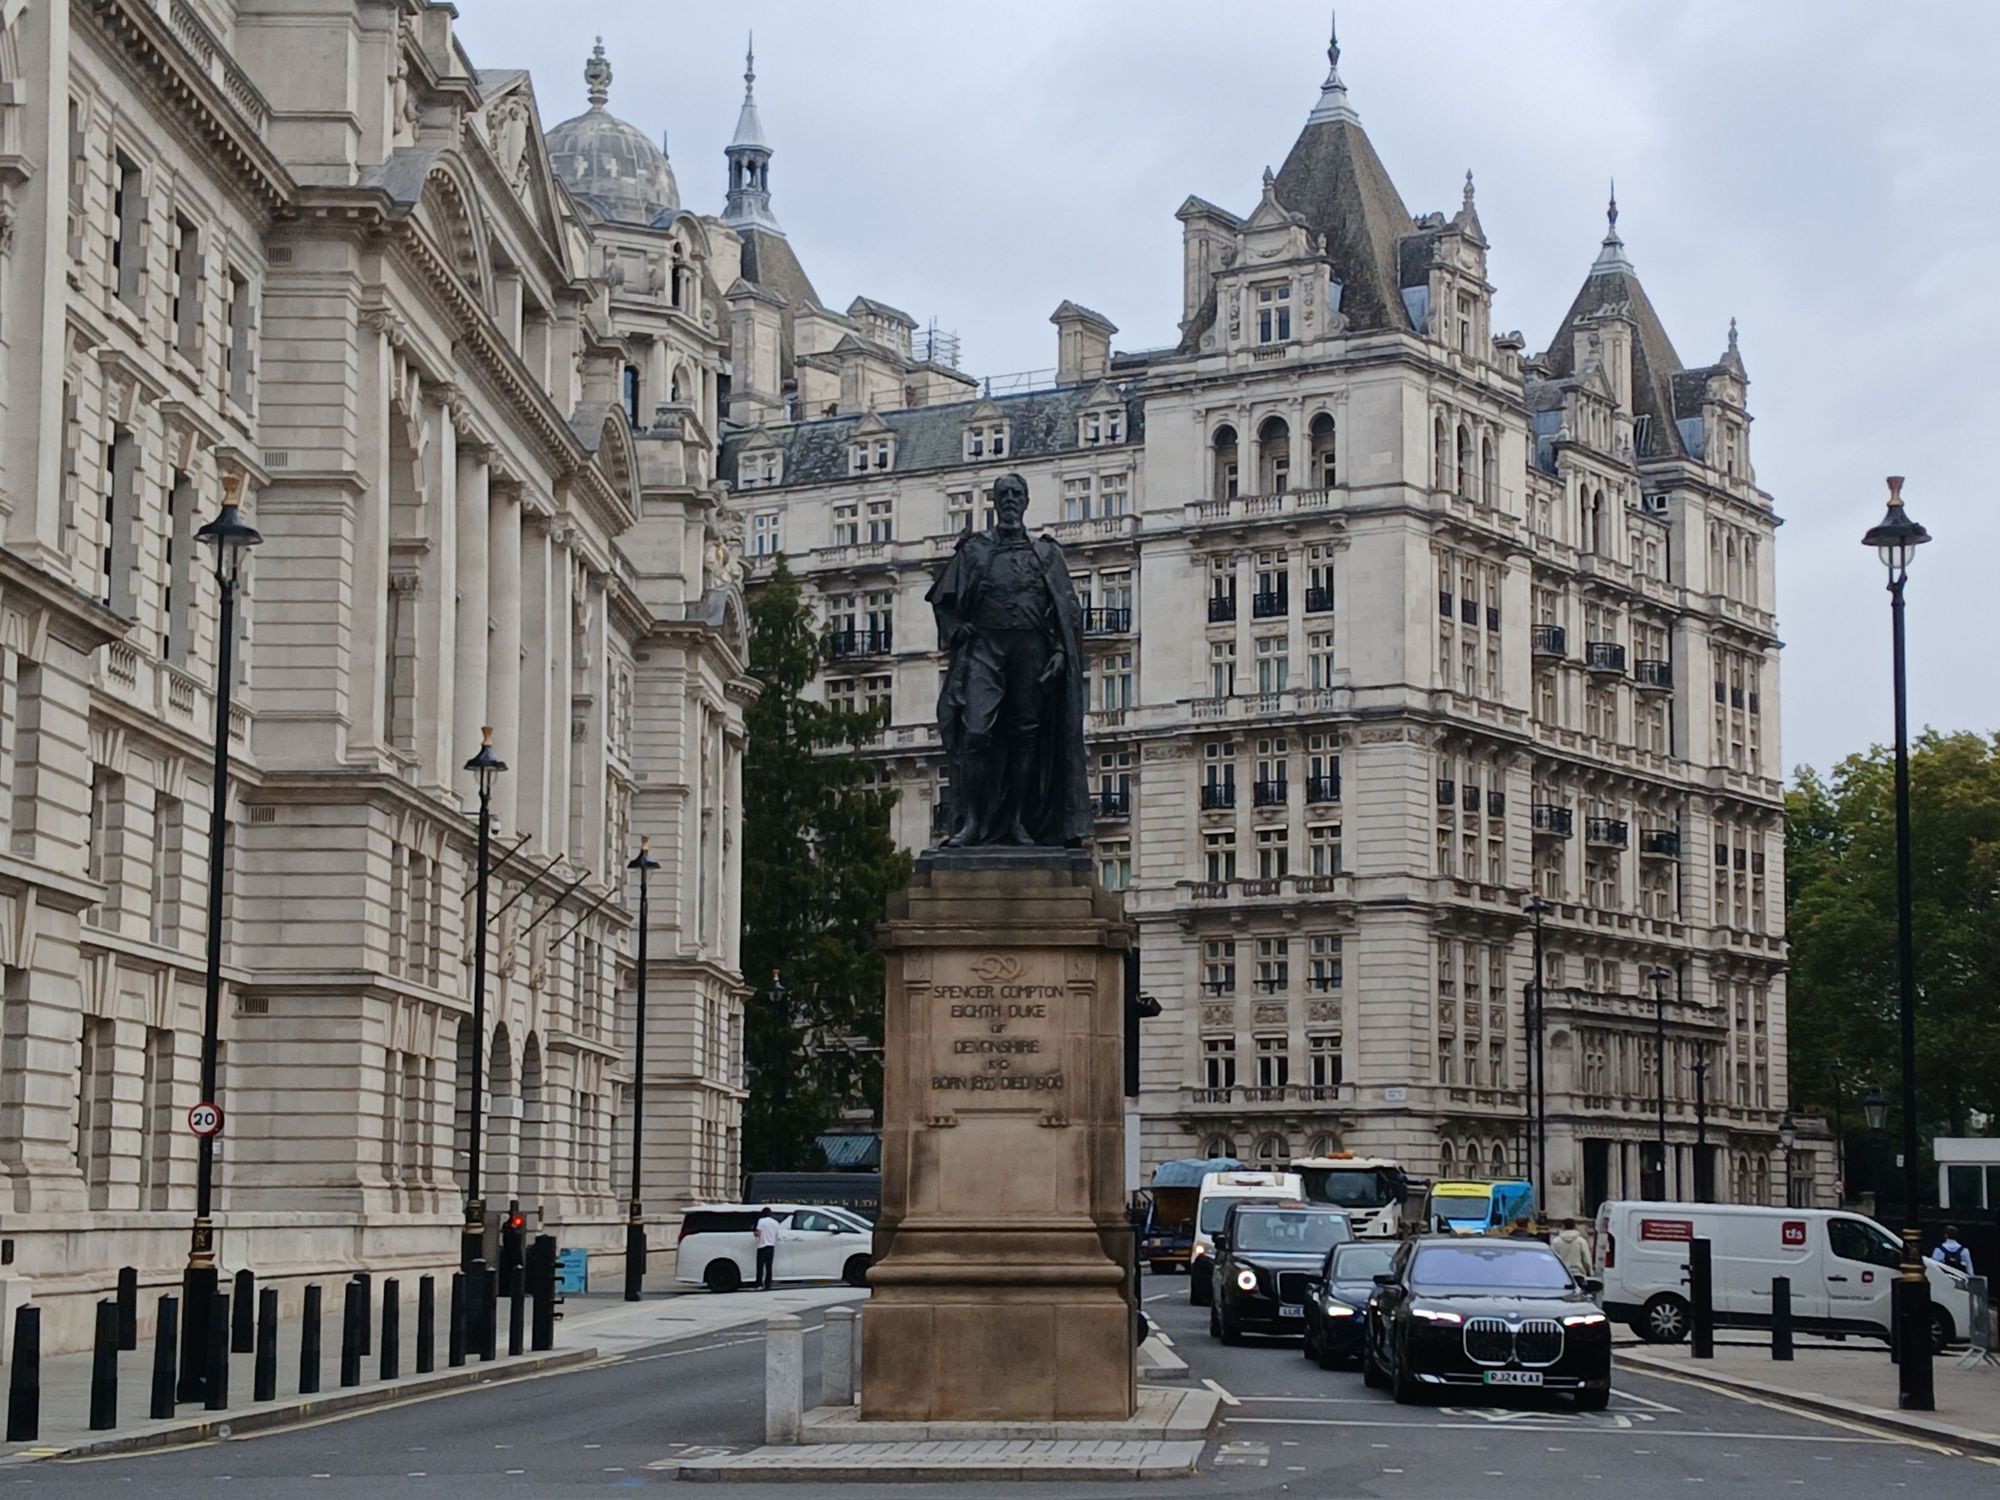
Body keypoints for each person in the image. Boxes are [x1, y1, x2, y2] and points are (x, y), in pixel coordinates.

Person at [753, 1207, 781, 1290]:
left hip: (762, 1246)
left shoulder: (761, 1221)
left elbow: (758, 1233)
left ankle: (759, 1284)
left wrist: (754, 1233)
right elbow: (777, 1236)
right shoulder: (775, 1222)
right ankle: (768, 1284)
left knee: (760, 1267)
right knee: (769, 1267)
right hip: (771, 1246)